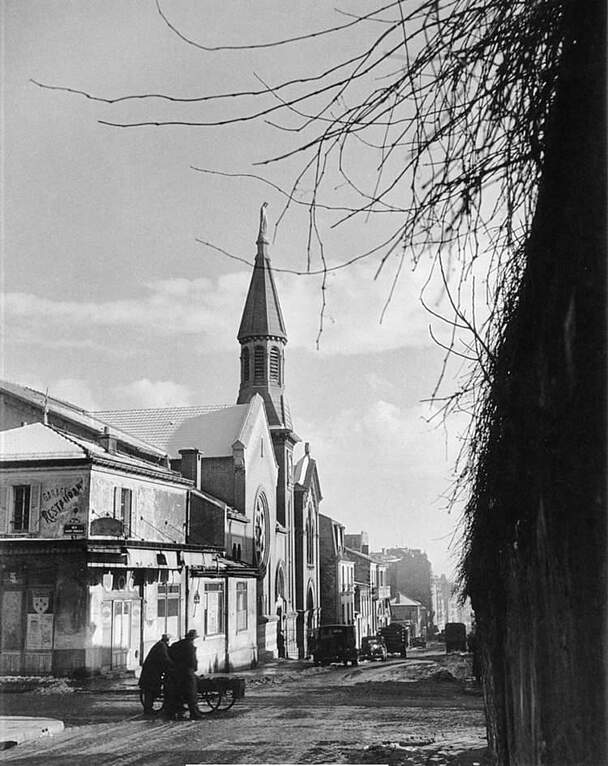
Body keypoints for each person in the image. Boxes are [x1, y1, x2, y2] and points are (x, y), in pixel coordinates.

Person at [165, 629, 204, 720]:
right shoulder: (189, 646)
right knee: (191, 693)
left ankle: (174, 713)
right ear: (192, 638)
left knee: (177, 693)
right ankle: (194, 713)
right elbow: (192, 660)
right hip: (187, 672)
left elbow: (170, 653)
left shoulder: (177, 644)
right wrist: (194, 668)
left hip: (176, 672)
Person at [138, 634, 174, 716]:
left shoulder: (160, 645)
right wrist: (172, 666)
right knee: (150, 691)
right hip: (151, 673)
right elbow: (165, 659)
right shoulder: (162, 646)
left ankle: (149, 708)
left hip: (152, 672)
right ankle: (148, 709)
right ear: (167, 640)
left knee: (151, 690)